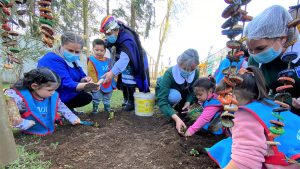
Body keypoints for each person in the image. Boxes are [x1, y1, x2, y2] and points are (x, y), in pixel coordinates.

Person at [206, 66, 300, 169]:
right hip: (294, 152)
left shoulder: (244, 114)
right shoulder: (271, 104)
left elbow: (246, 162)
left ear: (231, 96)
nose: (220, 102)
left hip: (286, 163)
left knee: (227, 147)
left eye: (222, 97)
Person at [244, 5, 300, 115]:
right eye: (250, 50)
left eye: (261, 48)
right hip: (274, 115)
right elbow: (256, 94)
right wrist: (287, 101)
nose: (255, 54)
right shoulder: (255, 61)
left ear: (283, 38)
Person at [4, 68, 81, 135]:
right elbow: (9, 111)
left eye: (55, 90)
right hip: (29, 130)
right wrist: (21, 123)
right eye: (50, 90)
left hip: (48, 130)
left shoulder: (52, 97)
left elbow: (62, 108)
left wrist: (72, 118)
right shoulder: (19, 96)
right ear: (34, 86)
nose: (53, 93)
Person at [99, 15, 150, 111]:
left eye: (109, 33)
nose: (108, 36)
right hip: (126, 66)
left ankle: (132, 101)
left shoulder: (127, 39)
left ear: (115, 29)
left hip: (135, 60)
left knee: (131, 80)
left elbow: (124, 59)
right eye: (106, 34)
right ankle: (126, 99)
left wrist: (111, 73)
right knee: (124, 80)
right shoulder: (118, 34)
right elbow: (111, 43)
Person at [38, 31, 97, 112]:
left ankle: (66, 109)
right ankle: (57, 110)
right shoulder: (52, 59)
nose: (73, 54)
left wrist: (85, 80)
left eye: (77, 52)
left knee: (86, 97)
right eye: (70, 50)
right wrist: (86, 86)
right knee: (85, 97)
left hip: (64, 92)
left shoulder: (74, 60)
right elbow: (65, 83)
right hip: (51, 93)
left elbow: (81, 75)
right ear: (62, 45)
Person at [155, 49, 200, 135]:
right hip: (171, 94)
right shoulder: (169, 73)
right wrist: (176, 118)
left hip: (182, 93)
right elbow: (162, 100)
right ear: (179, 64)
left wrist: (188, 101)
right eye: (185, 68)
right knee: (174, 96)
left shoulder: (196, 72)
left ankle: (179, 109)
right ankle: (170, 110)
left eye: (192, 69)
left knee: (190, 96)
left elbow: (193, 90)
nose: (189, 72)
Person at [87, 39, 115, 118]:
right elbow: (91, 72)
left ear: (105, 50)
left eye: (101, 50)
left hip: (107, 83)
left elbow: (112, 71)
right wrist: (95, 84)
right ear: (93, 49)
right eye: (97, 50)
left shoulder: (108, 61)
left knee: (107, 97)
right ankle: (95, 110)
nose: (99, 52)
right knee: (96, 98)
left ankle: (107, 109)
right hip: (97, 84)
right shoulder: (91, 60)